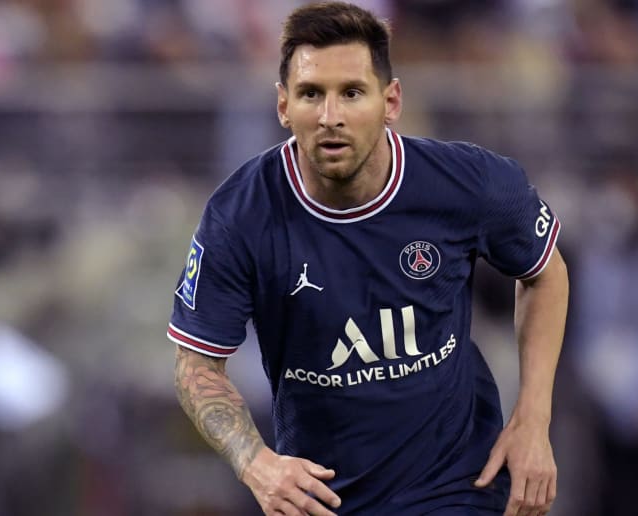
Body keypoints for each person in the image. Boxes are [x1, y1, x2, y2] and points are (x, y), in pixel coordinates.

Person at [169, 2, 568, 514]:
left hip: (456, 485)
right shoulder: (240, 216)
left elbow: (545, 273)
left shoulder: (469, 184)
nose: (330, 116)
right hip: (324, 497)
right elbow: (197, 364)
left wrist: (533, 420)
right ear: (283, 105)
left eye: (352, 93)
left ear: (391, 100)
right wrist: (256, 463)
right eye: (311, 94)